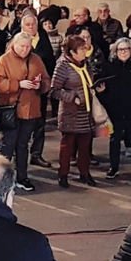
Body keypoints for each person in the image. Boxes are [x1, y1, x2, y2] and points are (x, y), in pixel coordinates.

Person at [0, 32, 50, 191]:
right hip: (11, 108)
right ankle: (0, 179)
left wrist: (40, 86)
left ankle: (22, 177)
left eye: (28, 46)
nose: (25, 50)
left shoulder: (36, 59)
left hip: (30, 109)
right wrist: (18, 84)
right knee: (7, 145)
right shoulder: (4, 60)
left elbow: (46, 80)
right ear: (14, 45)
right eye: (22, 46)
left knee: (23, 145)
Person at [51, 35, 100, 188]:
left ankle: (84, 173)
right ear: (72, 52)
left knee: (85, 145)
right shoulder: (62, 66)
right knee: (68, 146)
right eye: (81, 49)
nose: (85, 52)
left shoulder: (86, 64)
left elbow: (88, 82)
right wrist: (72, 97)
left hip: (86, 112)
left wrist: (96, 88)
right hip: (70, 113)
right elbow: (54, 90)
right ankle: (63, 174)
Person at [99, 37, 131, 184]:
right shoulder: (109, 66)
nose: (123, 52)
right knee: (114, 140)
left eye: (126, 49)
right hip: (115, 111)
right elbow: (103, 87)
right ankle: (113, 167)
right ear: (115, 51)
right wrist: (102, 94)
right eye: (120, 49)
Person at [19, 13, 56, 168]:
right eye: (28, 25)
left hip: (39, 89)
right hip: (21, 92)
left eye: (33, 24)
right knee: (21, 126)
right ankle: (19, 154)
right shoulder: (17, 41)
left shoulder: (43, 39)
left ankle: (36, 154)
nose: (31, 27)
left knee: (39, 124)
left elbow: (50, 61)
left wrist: (45, 84)